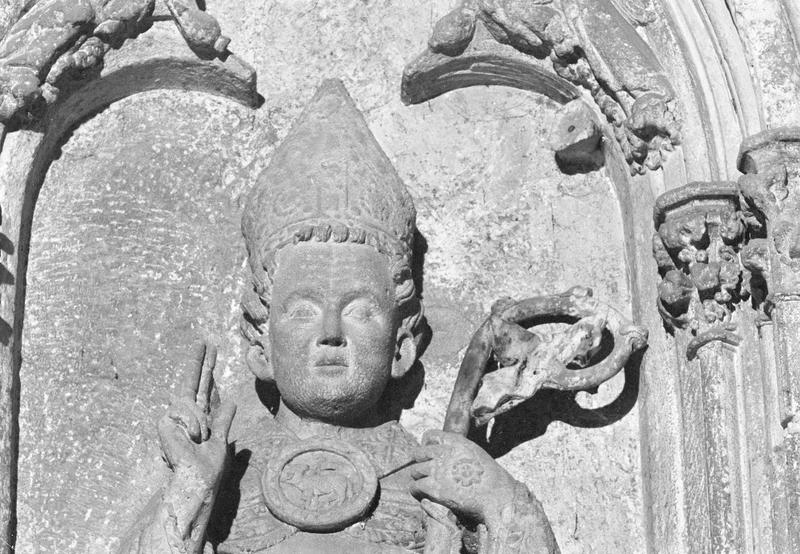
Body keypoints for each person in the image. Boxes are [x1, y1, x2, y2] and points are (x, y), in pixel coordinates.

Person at [121, 79, 559, 554]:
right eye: (304, 312)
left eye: (359, 312)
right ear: (261, 347)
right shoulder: (224, 478)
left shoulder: (433, 479)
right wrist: (191, 493)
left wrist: (498, 503)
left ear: (401, 349)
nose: (331, 335)